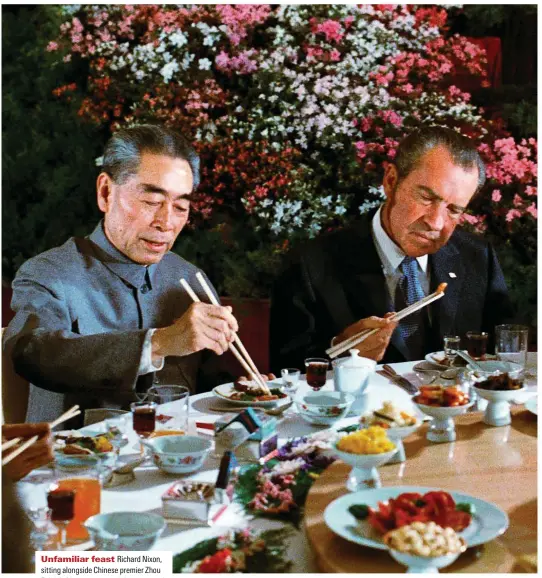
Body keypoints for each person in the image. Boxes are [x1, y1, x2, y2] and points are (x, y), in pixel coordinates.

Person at [4, 124, 239, 424]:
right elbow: (32, 353)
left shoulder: (189, 278)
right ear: (105, 192)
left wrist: (247, 388)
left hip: (174, 457)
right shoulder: (49, 273)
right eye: (152, 201)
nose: (166, 222)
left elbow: (213, 385)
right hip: (78, 463)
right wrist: (159, 342)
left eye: (180, 206)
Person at [270, 125, 515, 370]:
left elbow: (504, 359)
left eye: (454, 210)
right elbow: (284, 372)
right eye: (427, 198)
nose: (436, 222)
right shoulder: (310, 265)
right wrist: (342, 351)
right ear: (390, 181)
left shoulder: (477, 257)